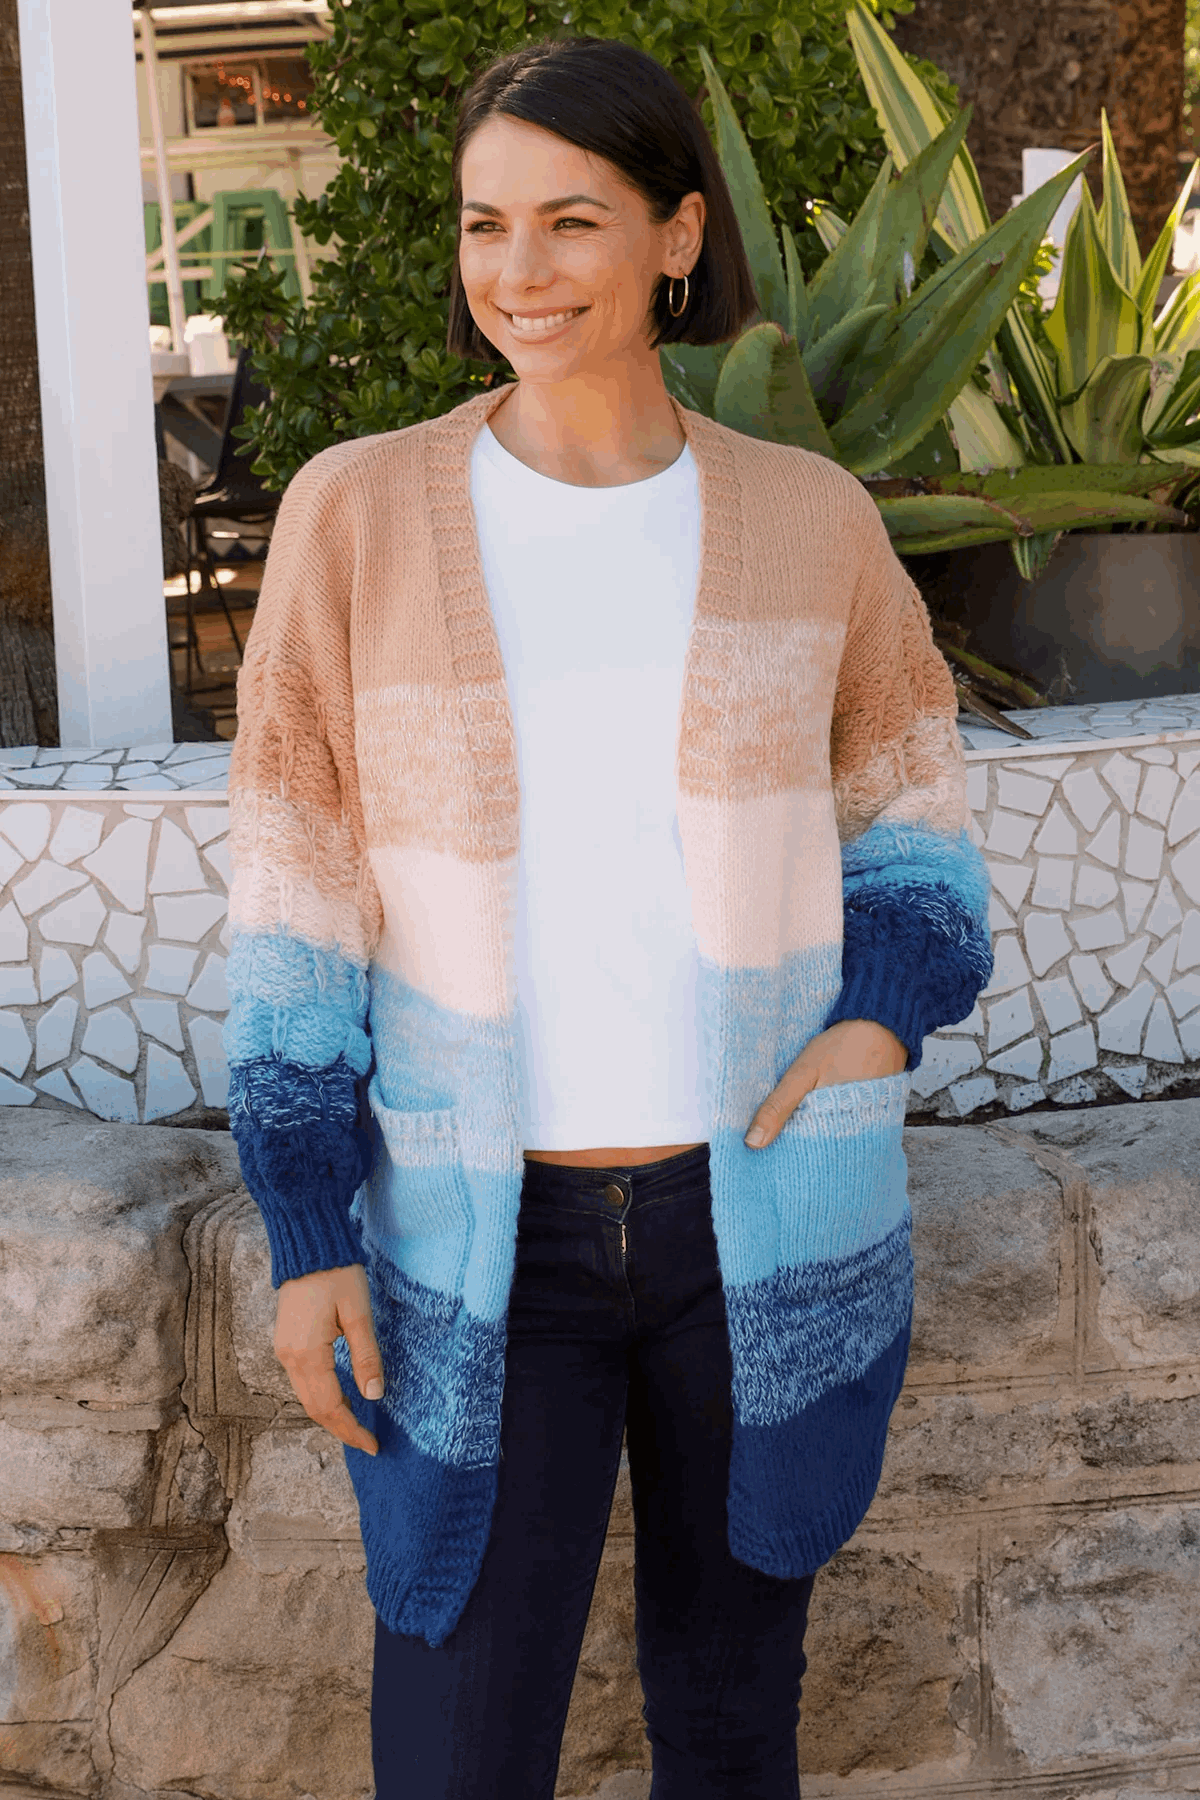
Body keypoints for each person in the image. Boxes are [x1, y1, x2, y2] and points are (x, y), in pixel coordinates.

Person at [222, 32, 993, 1800]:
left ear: (676, 235)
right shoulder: (359, 514)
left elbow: (916, 818)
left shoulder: (808, 519)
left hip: (761, 1219)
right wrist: (304, 1221)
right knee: (457, 1747)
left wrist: (876, 1018)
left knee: (731, 1731)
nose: (519, 270)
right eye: (485, 223)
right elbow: (294, 888)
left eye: (572, 221)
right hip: (477, 1244)